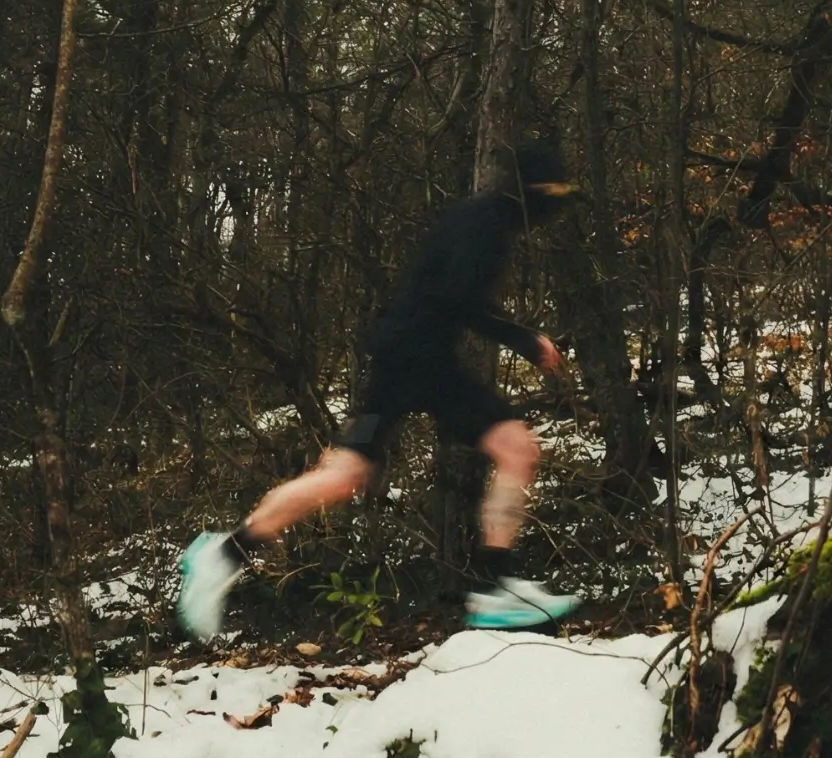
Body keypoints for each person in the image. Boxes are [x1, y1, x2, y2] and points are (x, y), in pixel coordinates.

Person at [177, 142, 584, 638]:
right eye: (554, 195)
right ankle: (498, 589)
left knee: (344, 475)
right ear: (536, 193)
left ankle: (225, 552)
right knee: (516, 448)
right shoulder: (486, 228)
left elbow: (443, 296)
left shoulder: (477, 219)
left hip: (403, 358)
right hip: (421, 362)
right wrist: (524, 338)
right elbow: (458, 298)